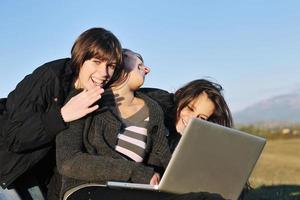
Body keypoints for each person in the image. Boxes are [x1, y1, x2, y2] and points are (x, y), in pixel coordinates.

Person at [0, 27, 123, 200]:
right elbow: (14, 137)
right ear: (80, 58)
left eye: (110, 66)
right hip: (6, 170)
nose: (103, 73)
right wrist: (62, 116)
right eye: (96, 61)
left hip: (38, 176)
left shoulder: (94, 93)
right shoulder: (49, 77)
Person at [56, 49, 171, 199]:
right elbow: (68, 161)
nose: (147, 69)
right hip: (88, 188)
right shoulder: (84, 98)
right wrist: (136, 172)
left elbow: (162, 156)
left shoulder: (153, 109)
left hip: (133, 190)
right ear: (119, 59)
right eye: (140, 63)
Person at [140, 79, 251, 199]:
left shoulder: (199, 140)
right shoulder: (155, 109)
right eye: (190, 108)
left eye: (201, 118)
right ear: (180, 97)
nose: (192, 119)